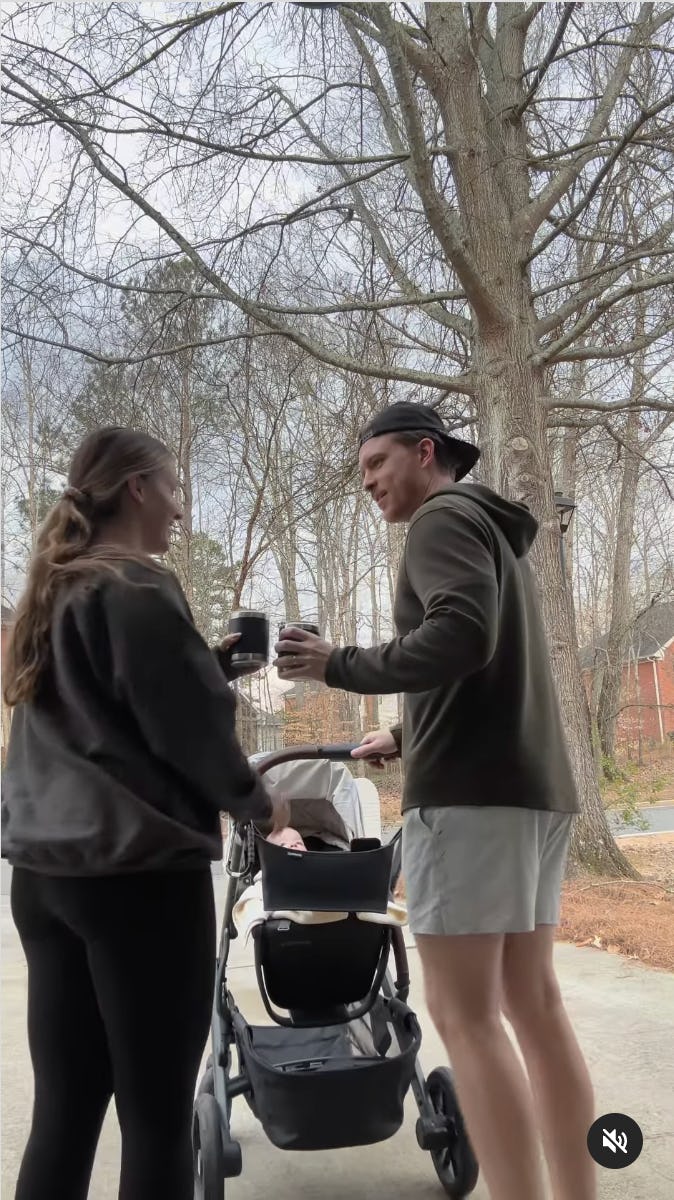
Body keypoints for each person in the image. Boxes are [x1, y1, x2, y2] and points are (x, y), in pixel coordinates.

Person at [275, 402, 595, 1200]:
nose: (369, 484)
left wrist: (338, 663)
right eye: (360, 475)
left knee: (467, 1016)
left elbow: (461, 635)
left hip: (469, 802)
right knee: (534, 1004)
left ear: (426, 452)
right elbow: (483, 665)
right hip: (532, 791)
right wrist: (409, 733)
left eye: (377, 464)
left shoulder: (441, 518)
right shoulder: (491, 529)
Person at [2, 426, 288, 1200]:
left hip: (43, 879)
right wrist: (267, 805)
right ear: (136, 488)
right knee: (158, 1124)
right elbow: (190, 734)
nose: (180, 510)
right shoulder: (137, 585)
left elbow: (110, 709)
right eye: (172, 490)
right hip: (138, 882)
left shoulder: (58, 588)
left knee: (63, 1114)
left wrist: (207, 664)